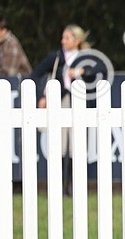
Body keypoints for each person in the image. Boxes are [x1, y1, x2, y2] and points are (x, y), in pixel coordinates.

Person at [31, 24, 109, 195]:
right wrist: (42, 96)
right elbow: (36, 73)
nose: (63, 41)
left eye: (67, 38)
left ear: (77, 40)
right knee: (59, 143)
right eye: (63, 37)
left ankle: (75, 185)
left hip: (79, 100)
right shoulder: (56, 57)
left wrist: (82, 71)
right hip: (60, 100)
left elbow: (102, 68)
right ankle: (59, 185)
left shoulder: (86, 57)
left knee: (77, 144)